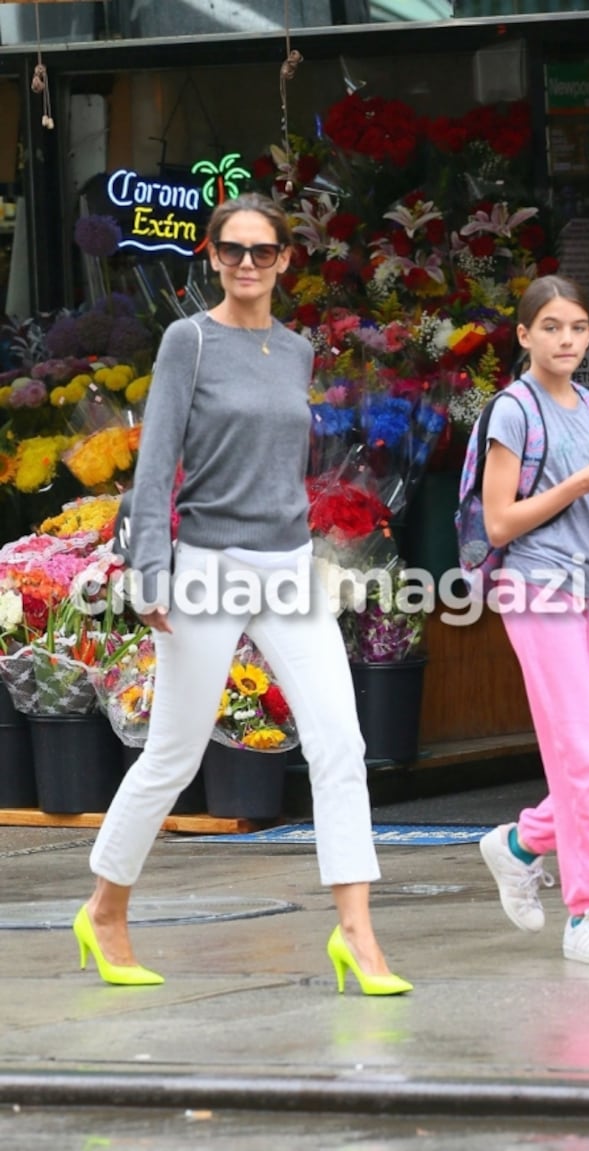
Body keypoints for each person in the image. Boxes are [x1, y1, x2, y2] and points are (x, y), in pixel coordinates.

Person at [73, 192, 411, 996]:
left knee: (340, 743)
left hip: (289, 566)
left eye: (263, 251)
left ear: (286, 259)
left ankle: (357, 932)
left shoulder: (296, 351)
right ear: (212, 256)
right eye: (234, 251)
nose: (249, 264)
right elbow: (156, 466)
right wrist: (146, 568)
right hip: (206, 568)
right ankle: (106, 908)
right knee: (174, 753)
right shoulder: (187, 340)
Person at [478, 274, 589, 965]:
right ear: (523, 335)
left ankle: (520, 842)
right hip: (536, 592)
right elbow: (499, 522)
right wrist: (582, 484)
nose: (565, 339)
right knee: (579, 757)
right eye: (550, 326)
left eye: (576, 327)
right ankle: (586, 913)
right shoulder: (511, 411)